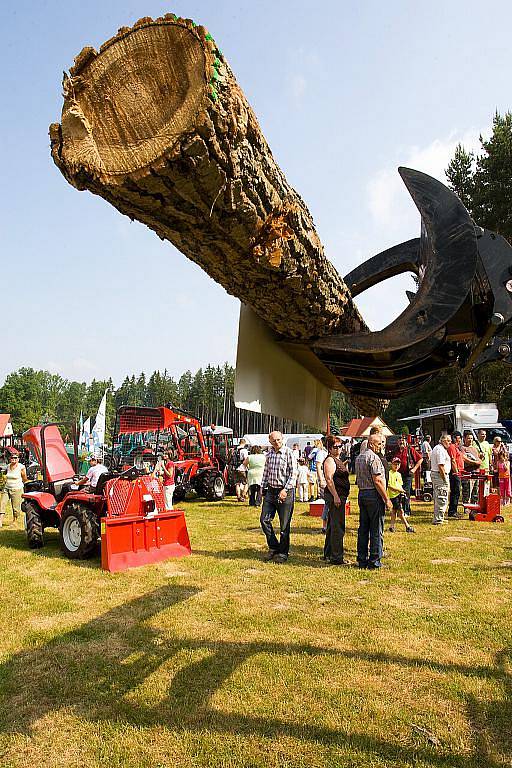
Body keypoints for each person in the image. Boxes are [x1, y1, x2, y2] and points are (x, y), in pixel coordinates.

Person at [355, 434, 392, 569]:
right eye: (378, 444)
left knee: (363, 528)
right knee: (376, 529)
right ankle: (375, 560)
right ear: (371, 444)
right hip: (373, 494)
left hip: (362, 493)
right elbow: (377, 480)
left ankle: (362, 559)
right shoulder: (374, 458)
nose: (380, 446)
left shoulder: (359, 458)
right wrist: (386, 499)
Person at [260, 431, 297, 563]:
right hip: (271, 491)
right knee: (264, 520)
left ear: (283, 439)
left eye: (279, 440)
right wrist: (262, 488)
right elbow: (266, 472)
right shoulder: (269, 454)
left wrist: (285, 489)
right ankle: (274, 547)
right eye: (274, 440)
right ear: (270, 441)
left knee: (284, 525)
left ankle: (283, 553)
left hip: (285, 492)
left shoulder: (289, 453)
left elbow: (293, 473)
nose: (277, 442)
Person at [322, 436, 350, 564]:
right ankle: (337, 557)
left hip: (338, 496)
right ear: (329, 448)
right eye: (335, 447)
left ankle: (328, 554)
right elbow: (329, 479)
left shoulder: (336, 460)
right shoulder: (329, 460)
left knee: (332, 526)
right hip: (336, 497)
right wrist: (336, 496)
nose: (339, 449)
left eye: (340, 446)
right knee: (338, 527)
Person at [393, 436, 422, 516]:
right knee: (398, 492)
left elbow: (420, 459)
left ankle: (406, 511)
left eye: (403, 440)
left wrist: (414, 469)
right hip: (397, 475)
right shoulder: (396, 450)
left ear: (406, 441)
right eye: (399, 440)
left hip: (407, 474)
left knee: (405, 492)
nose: (401, 442)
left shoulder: (410, 449)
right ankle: (399, 510)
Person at [0, 448, 27, 526]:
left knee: (16, 508)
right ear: (10, 458)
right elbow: (4, 474)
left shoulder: (21, 467)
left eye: (15, 458)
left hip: (17, 489)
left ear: (18, 459)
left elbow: (24, 478)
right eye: (12, 457)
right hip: (7, 488)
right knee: (2, 504)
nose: (13, 459)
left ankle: (15, 521)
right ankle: (0, 522)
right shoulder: (8, 466)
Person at [387, 456, 415, 533]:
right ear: (391, 464)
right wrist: (399, 490)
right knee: (400, 511)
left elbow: (400, 484)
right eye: (395, 464)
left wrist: (402, 491)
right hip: (393, 496)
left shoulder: (398, 474)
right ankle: (407, 526)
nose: (396, 466)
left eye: (398, 464)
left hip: (399, 495)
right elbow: (389, 485)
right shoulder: (389, 474)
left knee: (394, 511)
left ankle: (392, 526)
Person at [430, 434, 452, 525]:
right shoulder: (440, 449)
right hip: (440, 475)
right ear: (443, 440)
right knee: (441, 497)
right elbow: (441, 466)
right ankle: (438, 520)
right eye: (448, 441)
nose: (450, 443)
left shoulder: (440, 449)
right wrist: (445, 480)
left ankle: (439, 517)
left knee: (440, 497)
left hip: (439, 475)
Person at [447, 431, 464, 518]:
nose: (460, 440)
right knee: (455, 492)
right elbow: (453, 460)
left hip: (458, 472)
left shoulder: (457, 447)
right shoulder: (452, 447)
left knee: (456, 492)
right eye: (459, 438)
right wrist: (456, 472)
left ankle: (453, 510)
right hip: (454, 473)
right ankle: (452, 511)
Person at [461, 431, 480, 504]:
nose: (470, 440)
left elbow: (478, 459)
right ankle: (466, 507)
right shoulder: (462, 448)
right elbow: (464, 459)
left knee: (475, 490)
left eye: (471, 438)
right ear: (464, 438)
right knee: (467, 490)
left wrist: (479, 460)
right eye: (468, 438)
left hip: (476, 472)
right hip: (467, 473)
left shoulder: (475, 449)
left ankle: (474, 506)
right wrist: (475, 462)